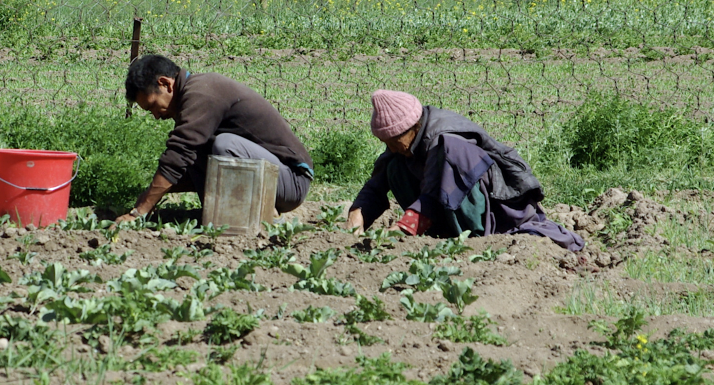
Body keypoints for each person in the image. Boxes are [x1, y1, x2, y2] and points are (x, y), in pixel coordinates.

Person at [344, 89, 583, 251]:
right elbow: (377, 183)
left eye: (394, 140)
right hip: (442, 201)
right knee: (394, 166)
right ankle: (442, 231)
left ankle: (474, 237)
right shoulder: (404, 142)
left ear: (413, 127)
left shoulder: (445, 140)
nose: (391, 147)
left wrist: (403, 227)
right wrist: (358, 212)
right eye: (385, 142)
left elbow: (435, 191)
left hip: (498, 206)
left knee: (445, 160)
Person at [116, 54, 314, 223]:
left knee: (224, 145)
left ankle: (262, 215)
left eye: (152, 106)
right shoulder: (191, 97)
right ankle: (223, 216)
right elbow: (183, 164)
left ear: (165, 83)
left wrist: (138, 212)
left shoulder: (201, 92)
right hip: (272, 174)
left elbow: (178, 155)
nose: (156, 116)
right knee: (197, 151)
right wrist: (151, 197)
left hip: (292, 179)